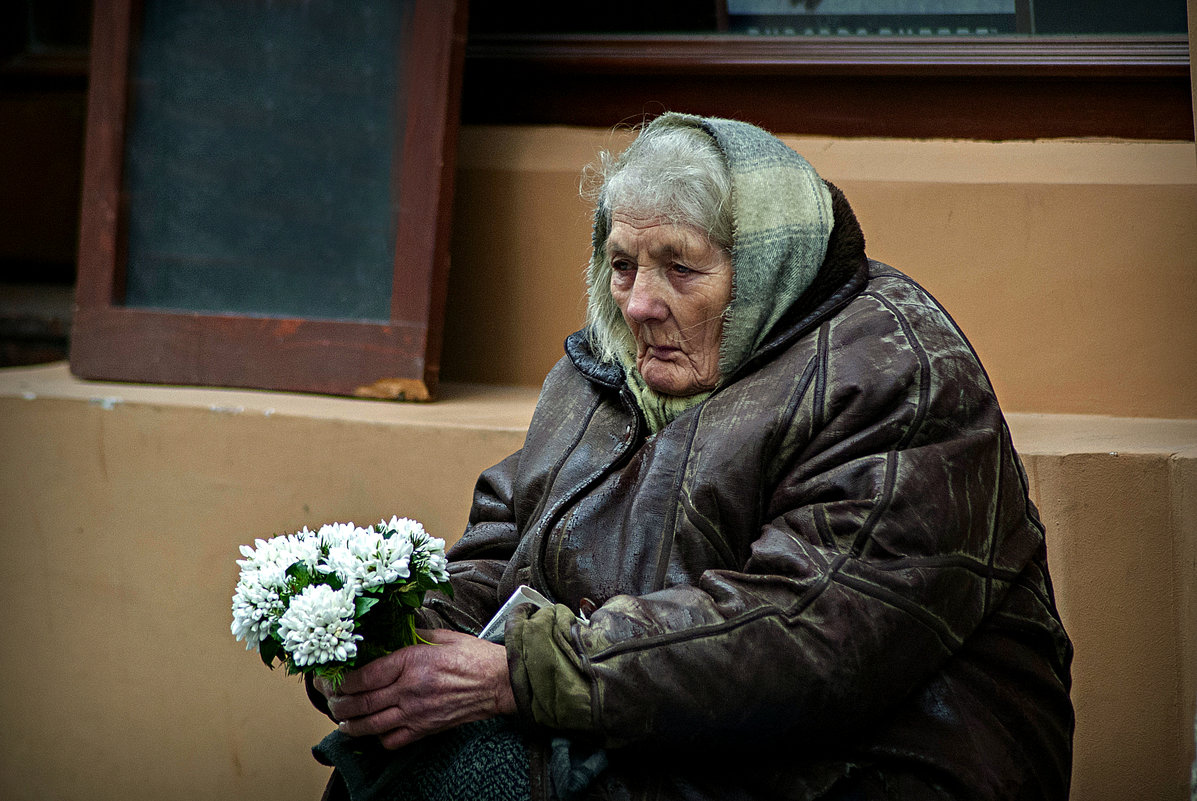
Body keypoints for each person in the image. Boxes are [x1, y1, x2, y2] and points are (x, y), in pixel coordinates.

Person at [309, 113, 1074, 800]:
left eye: (679, 267)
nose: (637, 302)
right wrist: (397, 647)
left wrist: (523, 674)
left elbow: (804, 634)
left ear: (764, 267)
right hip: (652, 731)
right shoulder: (606, 368)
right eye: (621, 264)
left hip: (870, 762)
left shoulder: (889, 372)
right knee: (383, 768)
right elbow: (505, 546)